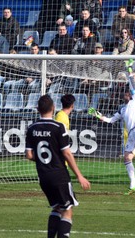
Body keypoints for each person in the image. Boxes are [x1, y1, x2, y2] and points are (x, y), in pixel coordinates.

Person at [88, 60, 135, 195]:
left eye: (125, 93)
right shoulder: (122, 110)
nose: (123, 95)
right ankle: (133, 185)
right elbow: (110, 120)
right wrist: (97, 114)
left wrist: (129, 68)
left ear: (129, 95)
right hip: (130, 133)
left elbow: (132, 83)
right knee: (127, 158)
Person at [26, 94, 91, 238]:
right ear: (53, 108)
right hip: (59, 175)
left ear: (38, 109)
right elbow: (67, 154)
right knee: (67, 210)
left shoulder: (31, 128)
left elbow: (29, 155)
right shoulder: (58, 127)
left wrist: (46, 160)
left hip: (43, 176)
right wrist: (80, 176)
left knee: (56, 208)